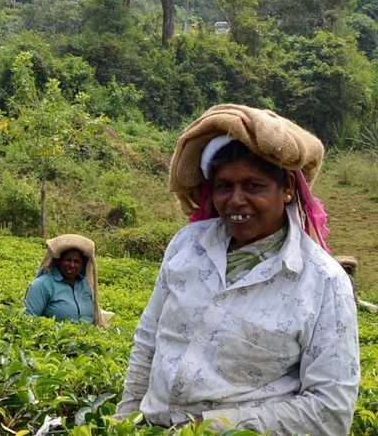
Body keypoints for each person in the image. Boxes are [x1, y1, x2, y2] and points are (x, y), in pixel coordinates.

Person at [115, 105, 359, 435]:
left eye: (254, 186)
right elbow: (149, 341)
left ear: (287, 187)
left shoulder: (324, 282)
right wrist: (125, 419)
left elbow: (330, 410)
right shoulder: (187, 244)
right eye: (223, 186)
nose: (235, 200)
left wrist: (209, 427)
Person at [24, 234, 109, 327]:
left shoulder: (85, 285)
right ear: (58, 261)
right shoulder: (41, 285)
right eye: (67, 260)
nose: (72, 265)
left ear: (82, 264)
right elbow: (28, 322)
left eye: (77, 261)